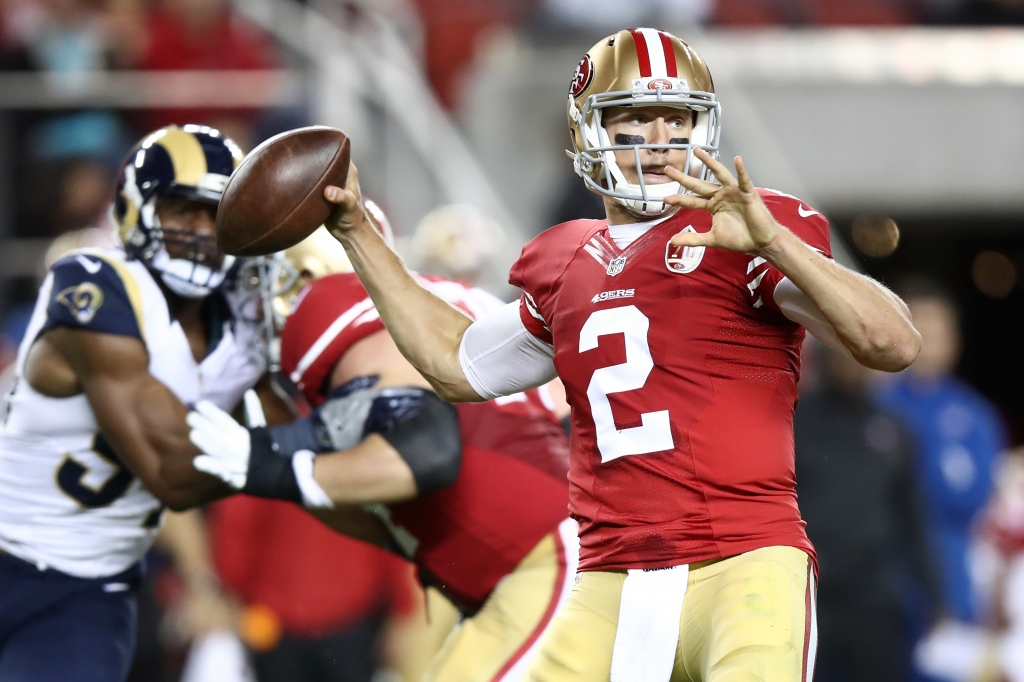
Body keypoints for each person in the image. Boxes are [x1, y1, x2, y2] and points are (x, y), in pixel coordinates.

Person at [308, 27, 921, 681]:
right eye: (635, 117)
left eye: (678, 118)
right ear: (589, 132)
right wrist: (360, 237)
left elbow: (892, 343)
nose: (660, 138)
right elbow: (458, 363)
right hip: (609, 579)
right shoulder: (567, 257)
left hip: (741, 565)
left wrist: (776, 245)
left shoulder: (747, 232)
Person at [188, 224, 578, 681]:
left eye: (256, 292)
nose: (245, 317)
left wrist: (276, 464)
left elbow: (427, 451)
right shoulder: (444, 305)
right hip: (524, 563)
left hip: (540, 560)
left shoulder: (339, 317)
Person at [0, 124, 264, 682]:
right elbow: (171, 472)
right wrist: (294, 455)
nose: (201, 232)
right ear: (135, 210)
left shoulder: (249, 328)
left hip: (83, 594)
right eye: (182, 212)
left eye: (216, 214)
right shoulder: (97, 282)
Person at [795, 345, 936, 682]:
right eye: (843, 355)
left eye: (859, 358)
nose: (852, 367)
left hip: (874, 595)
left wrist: (934, 594)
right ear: (827, 360)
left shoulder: (894, 427)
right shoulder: (796, 420)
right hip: (810, 594)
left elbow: (912, 517)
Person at [876, 282, 1006, 624]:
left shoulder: (976, 416)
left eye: (938, 331)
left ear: (955, 340)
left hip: (952, 579)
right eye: (920, 329)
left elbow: (977, 500)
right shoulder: (874, 406)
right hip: (881, 581)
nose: (928, 342)